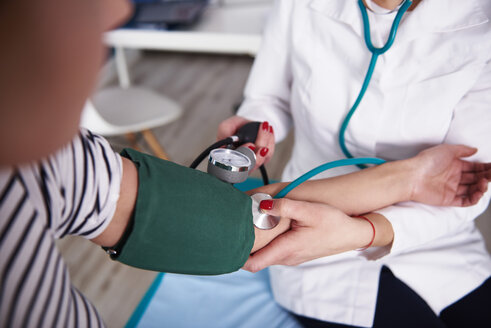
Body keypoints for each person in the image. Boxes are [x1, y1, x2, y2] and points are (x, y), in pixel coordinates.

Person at [0, 1, 489, 328]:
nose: (119, 10)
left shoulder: (60, 165)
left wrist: (374, 221)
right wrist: (409, 176)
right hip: (315, 249)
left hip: (430, 238)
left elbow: (466, 189)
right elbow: (232, 219)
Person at [218, 0, 491, 327]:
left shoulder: (481, 20)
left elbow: (472, 182)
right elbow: (267, 98)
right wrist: (256, 130)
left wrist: (364, 231)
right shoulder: (298, 5)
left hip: (429, 230)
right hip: (307, 233)